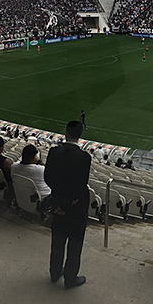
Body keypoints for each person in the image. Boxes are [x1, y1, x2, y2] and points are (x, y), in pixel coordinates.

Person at [44, 120, 91, 289]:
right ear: (80, 135)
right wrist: (69, 204)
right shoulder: (84, 157)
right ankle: (70, 278)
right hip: (75, 207)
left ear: (66, 133)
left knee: (57, 240)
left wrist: (58, 202)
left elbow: (48, 178)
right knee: (75, 242)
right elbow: (81, 184)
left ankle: (55, 272)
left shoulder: (54, 152)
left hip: (57, 203)